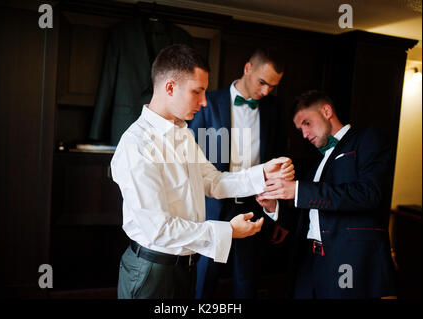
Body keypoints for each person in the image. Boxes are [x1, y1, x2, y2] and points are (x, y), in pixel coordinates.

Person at [110, 44, 294, 299]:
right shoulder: (137, 145)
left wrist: (263, 173)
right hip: (153, 273)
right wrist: (227, 231)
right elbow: (158, 229)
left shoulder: (183, 134)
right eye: (197, 92)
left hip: (186, 267)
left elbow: (214, 181)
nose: (205, 101)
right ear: (170, 87)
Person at [256, 90, 397, 298]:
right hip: (309, 261)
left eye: (306, 123)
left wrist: (297, 189)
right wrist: (272, 206)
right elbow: (307, 218)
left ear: (326, 111)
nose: (304, 134)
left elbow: (369, 194)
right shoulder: (316, 166)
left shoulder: (368, 138)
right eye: (299, 129)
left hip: (347, 260)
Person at [188, 47, 288, 299]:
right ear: (247, 69)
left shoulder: (274, 110)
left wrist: (280, 213)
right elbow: (191, 156)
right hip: (213, 203)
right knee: (205, 277)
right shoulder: (208, 102)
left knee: (247, 279)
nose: (265, 91)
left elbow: (279, 163)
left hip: (254, 203)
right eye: (262, 82)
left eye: (272, 87)